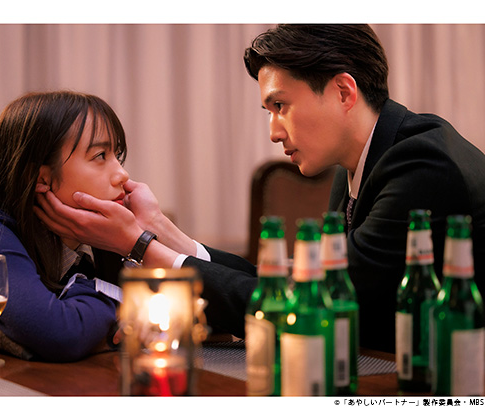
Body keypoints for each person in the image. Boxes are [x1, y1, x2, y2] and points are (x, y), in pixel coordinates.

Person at [32, 25, 485, 353]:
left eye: (280, 106)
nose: (273, 131)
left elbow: (314, 309)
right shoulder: (359, 162)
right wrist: (159, 229)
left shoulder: (420, 165)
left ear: (344, 91)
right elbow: (296, 286)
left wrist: (139, 245)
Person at [0, 90, 152, 361]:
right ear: (40, 178)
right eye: (100, 155)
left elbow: (160, 312)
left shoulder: (97, 237)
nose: (122, 174)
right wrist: (117, 301)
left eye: (117, 155)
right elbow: (61, 335)